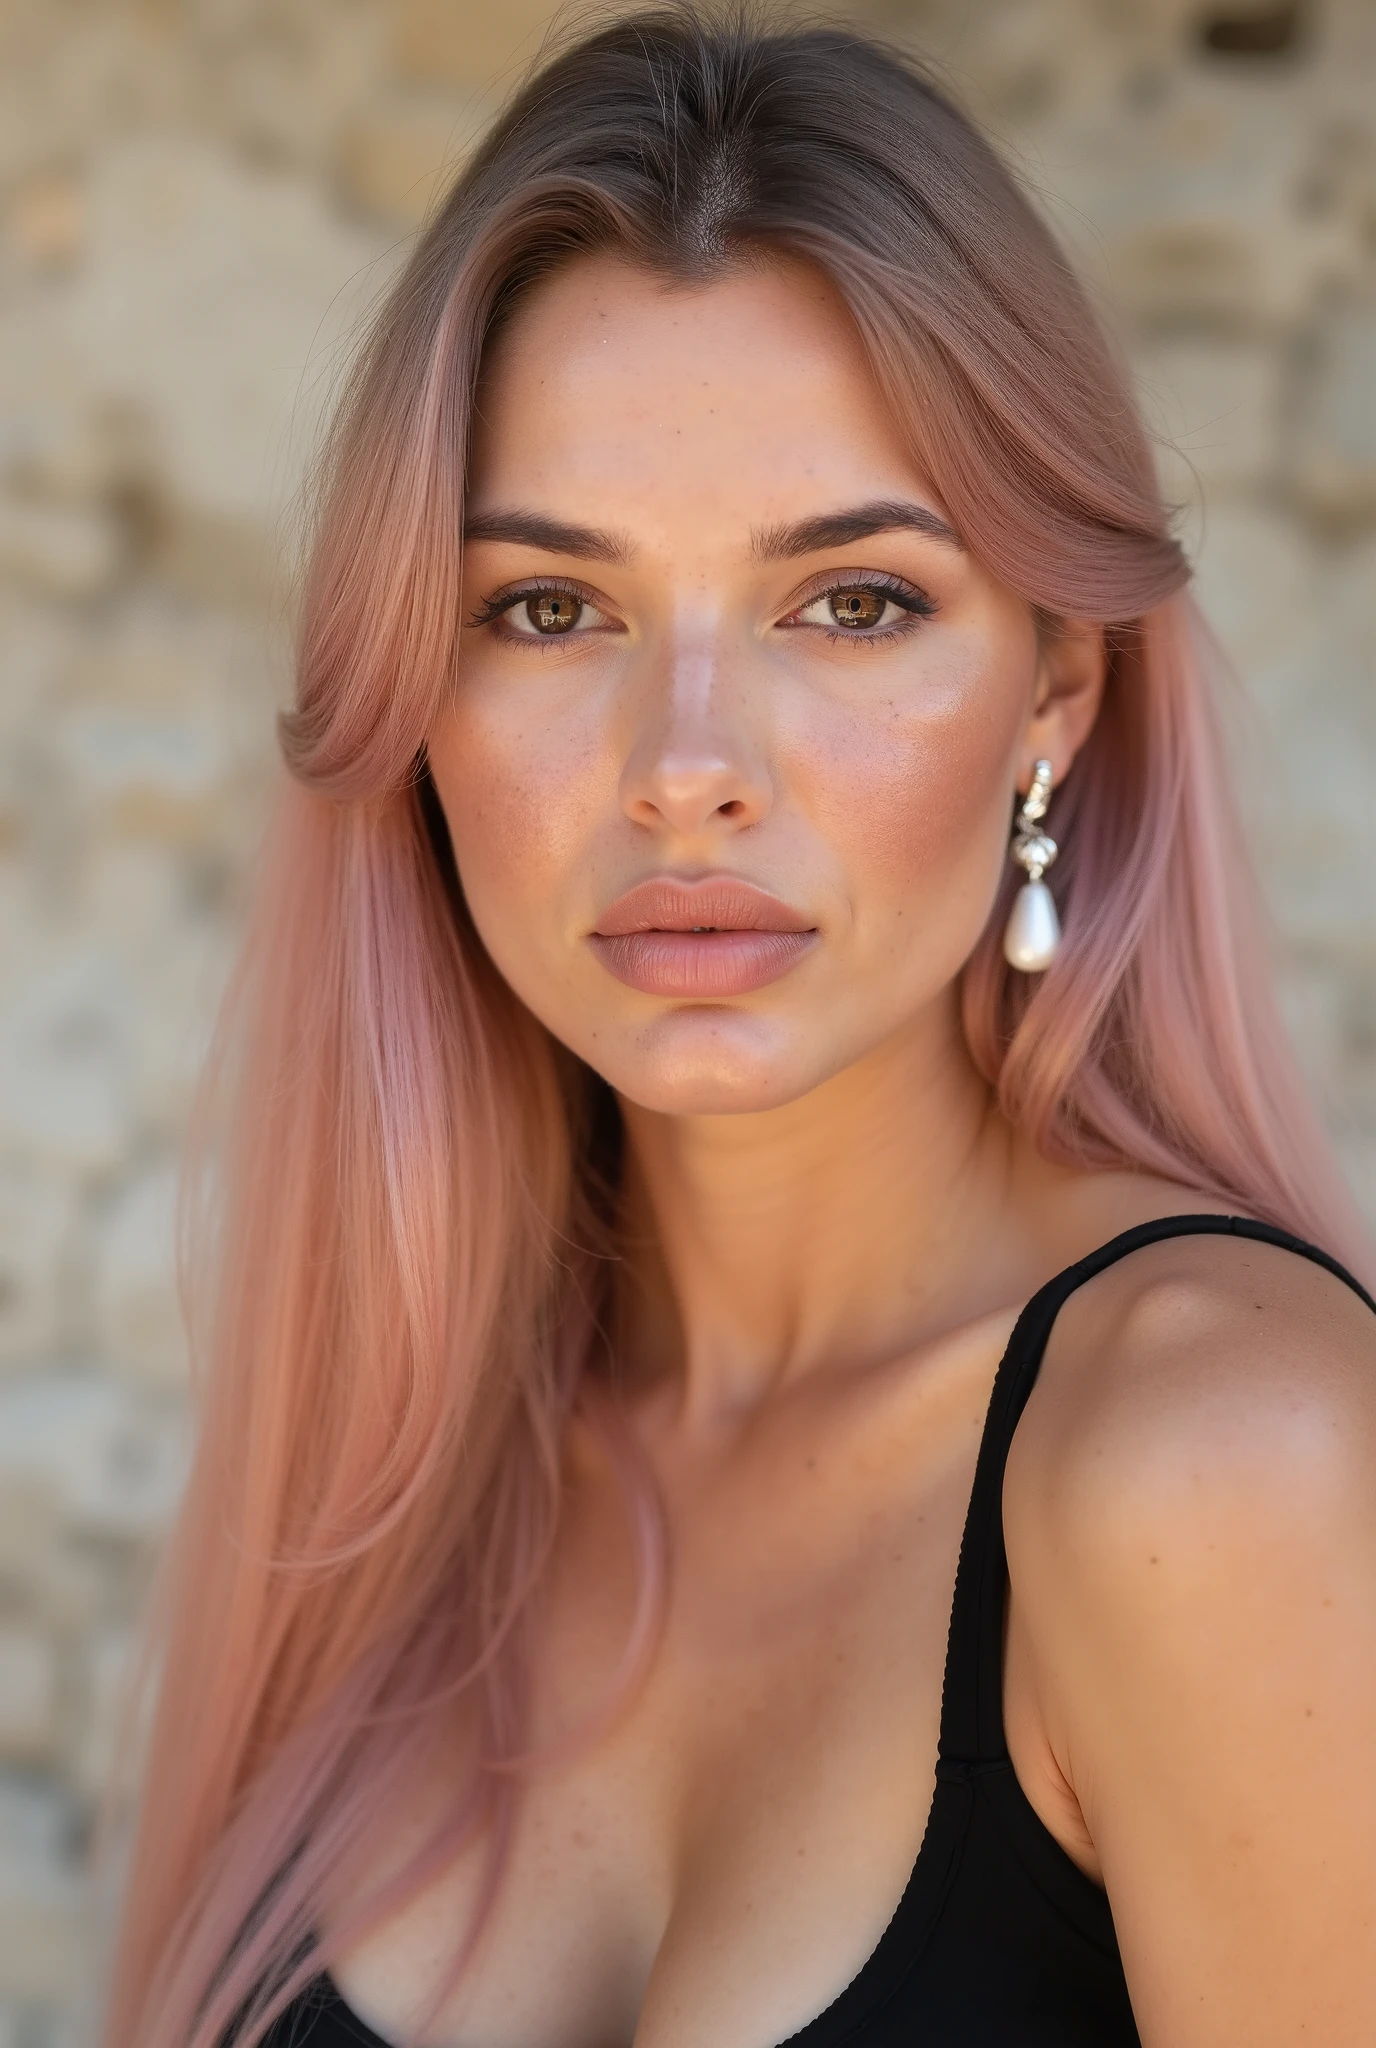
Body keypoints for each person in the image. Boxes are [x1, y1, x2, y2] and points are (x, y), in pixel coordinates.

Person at [103, 10, 1376, 2046]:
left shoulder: (1218, 1463)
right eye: (546, 610)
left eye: (850, 602)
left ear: (1057, 691)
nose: (684, 769)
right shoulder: (407, 1482)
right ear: (412, 707)